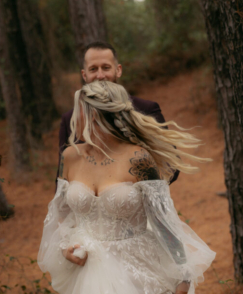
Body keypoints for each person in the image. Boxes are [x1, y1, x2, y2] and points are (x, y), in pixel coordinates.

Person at [38, 81, 243, 294]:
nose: (77, 121)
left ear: (103, 115)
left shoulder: (139, 158)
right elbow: (61, 215)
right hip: (93, 283)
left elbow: (165, 219)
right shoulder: (71, 157)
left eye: (85, 113)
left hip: (141, 273)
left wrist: (182, 272)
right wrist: (66, 247)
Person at [55, 41, 179, 193]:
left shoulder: (145, 109)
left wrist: (130, 193)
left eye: (106, 67)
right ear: (84, 75)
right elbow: (62, 181)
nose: (100, 75)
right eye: (93, 69)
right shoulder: (71, 119)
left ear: (118, 70)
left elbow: (171, 165)